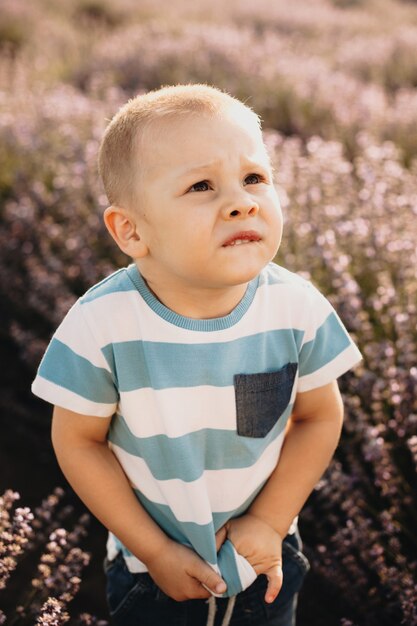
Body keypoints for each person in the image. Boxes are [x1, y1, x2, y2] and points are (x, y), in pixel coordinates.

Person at [32, 83, 362, 626]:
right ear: (131, 230)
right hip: (152, 574)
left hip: (267, 560)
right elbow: (78, 441)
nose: (242, 200)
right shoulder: (102, 325)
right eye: (202, 185)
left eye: (254, 178)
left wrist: (270, 522)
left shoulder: (296, 307)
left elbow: (320, 416)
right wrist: (155, 551)